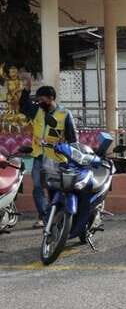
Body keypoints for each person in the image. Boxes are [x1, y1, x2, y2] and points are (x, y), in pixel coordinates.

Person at [19, 84, 78, 228]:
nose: (39, 102)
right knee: (38, 188)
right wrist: (26, 88)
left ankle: (57, 215)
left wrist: (73, 155)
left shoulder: (65, 114)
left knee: (55, 189)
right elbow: (23, 105)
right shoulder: (37, 111)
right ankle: (44, 217)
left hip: (57, 158)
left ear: (51, 98)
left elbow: (72, 139)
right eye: (37, 100)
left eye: (41, 99)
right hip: (39, 156)